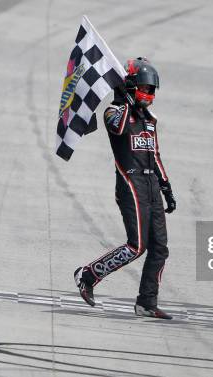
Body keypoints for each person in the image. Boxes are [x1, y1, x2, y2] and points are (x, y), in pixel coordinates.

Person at [73, 57, 176, 320]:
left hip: (152, 183)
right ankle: (88, 274)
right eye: (146, 87)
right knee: (136, 245)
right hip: (130, 183)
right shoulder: (115, 112)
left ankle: (146, 303)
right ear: (130, 86)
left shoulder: (149, 119)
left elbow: (155, 154)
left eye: (153, 89)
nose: (150, 93)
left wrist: (166, 187)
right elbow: (117, 127)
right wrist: (124, 99)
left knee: (160, 248)